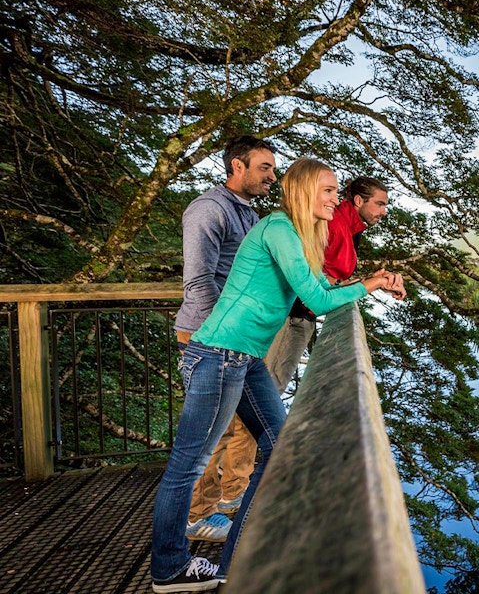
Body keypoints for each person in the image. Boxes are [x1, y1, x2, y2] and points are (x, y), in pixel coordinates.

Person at [150, 158, 406, 593]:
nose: (335, 198)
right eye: (328, 191)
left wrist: (371, 279)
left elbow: (321, 291)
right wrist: (373, 286)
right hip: (219, 354)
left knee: (277, 448)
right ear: (305, 191)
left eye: (336, 190)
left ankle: (235, 561)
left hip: (242, 358)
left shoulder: (301, 234)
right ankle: (169, 569)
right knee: (186, 466)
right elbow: (316, 299)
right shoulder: (279, 229)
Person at [173, 135, 277, 543]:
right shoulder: (208, 210)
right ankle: (195, 517)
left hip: (238, 341)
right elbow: (199, 282)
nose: (272, 175)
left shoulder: (247, 214)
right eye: (264, 167)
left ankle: (229, 499)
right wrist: (227, 330)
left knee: (246, 430)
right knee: (211, 435)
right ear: (238, 166)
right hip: (210, 338)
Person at [262, 176, 391, 391]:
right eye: (379, 204)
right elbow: (310, 275)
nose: (383, 212)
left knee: (267, 388)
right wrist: (371, 283)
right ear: (359, 201)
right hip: (292, 317)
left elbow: (326, 278)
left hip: (300, 313)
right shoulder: (334, 225)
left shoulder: (348, 228)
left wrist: (375, 281)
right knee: (269, 388)